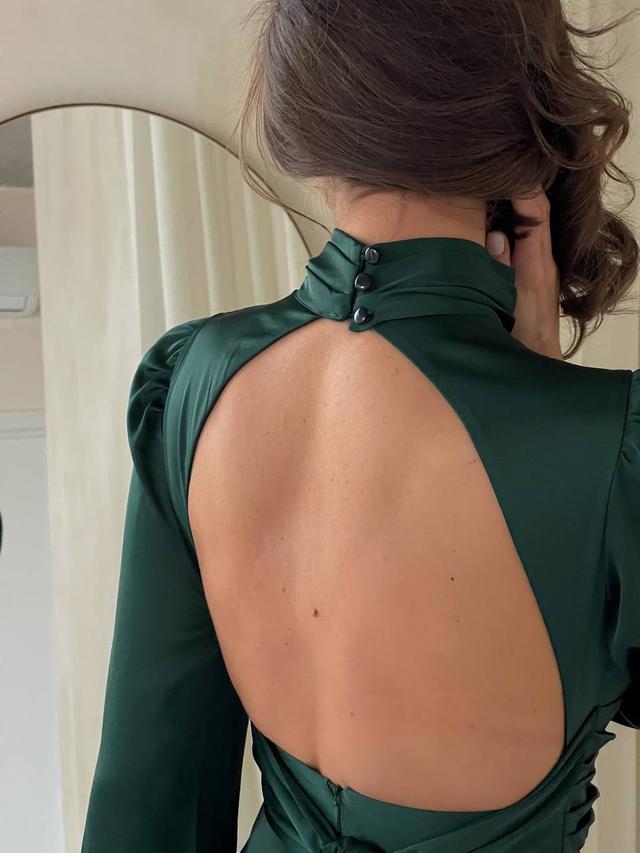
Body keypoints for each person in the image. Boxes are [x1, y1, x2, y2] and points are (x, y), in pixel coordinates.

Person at [81, 2, 640, 851]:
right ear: (519, 108)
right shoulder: (613, 445)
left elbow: (146, 802)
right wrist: (546, 399)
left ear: (301, 112)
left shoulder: (191, 383)